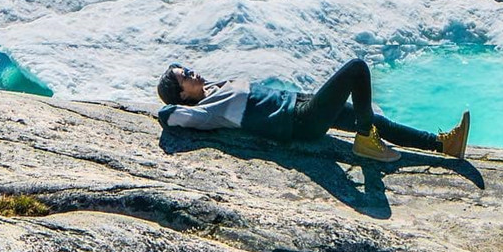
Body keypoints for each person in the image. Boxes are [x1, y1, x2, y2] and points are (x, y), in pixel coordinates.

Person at [156, 57, 470, 163]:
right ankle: (365, 143)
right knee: (357, 69)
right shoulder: (206, 112)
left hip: (300, 103)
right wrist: (167, 107)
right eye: (185, 76)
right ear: (182, 94)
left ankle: (443, 144)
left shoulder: (213, 88)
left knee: (372, 118)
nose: (191, 71)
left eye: (186, 68)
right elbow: (168, 115)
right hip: (298, 122)